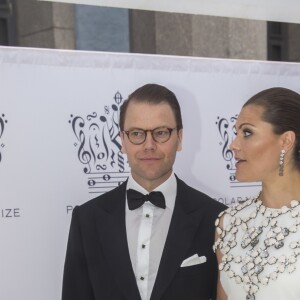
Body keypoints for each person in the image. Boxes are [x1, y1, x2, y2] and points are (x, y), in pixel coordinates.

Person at [62, 83, 226, 300]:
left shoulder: (217, 218)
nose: (149, 145)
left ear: (180, 138)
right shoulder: (87, 219)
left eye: (160, 132)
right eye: (137, 133)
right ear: (122, 140)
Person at [214, 87, 300, 300]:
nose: (233, 145)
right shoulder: (229, 223)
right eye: (236, 133)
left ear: (286, 141)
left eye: (247, 132)